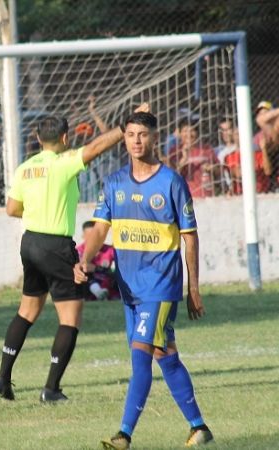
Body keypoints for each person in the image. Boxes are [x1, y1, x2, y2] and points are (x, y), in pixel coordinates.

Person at [0, 103, 149, 403]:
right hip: (56, 245)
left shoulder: (25, 168)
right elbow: (95, 148)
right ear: (65, 138)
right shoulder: (64, 162)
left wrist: (36, 209)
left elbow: (12, 209)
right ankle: (51, 388)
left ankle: (3, 377)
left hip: (30, 242)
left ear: (38, 139)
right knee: (70, 317)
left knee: (27, 311)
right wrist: (124, 126)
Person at [75, 111, 213, 449]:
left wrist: (193, 288)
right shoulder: (114, 183)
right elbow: (100, 228)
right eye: (131, 134)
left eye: (143, 134)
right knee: (165, 355)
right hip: (129, 288)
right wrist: (86, 259)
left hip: (161, 286)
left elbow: (190, 237)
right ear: (124, 138)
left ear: (155, 137)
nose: (137, 141)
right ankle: (199, 427)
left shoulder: (171, 182)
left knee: (140, 356)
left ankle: (124, 435)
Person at [166, 120, 219, 198]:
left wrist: (212, 168)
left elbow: (219, 172)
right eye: (185, 131)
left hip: (207, 197)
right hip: (184, 197)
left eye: (192, 130)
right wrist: (183, 159)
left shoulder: (207, 149)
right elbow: (170, 177)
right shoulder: (174, 151)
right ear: (179, 134)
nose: (189, 134)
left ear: (197, 133)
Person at [76, 221, 117, 301]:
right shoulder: (78, 251)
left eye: (95, 236)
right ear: (83, 236)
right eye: (89, 236)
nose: (93, 240)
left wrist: (96, 268)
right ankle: (97, 293)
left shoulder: (109, 250)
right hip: (86, 287)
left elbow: (121, 269)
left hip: (107, 285)